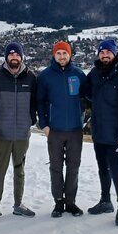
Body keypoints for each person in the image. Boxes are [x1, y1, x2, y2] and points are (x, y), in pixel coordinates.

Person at [84, 38, 118, 227]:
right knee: (102, 169)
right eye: (102, 52)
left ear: (114, 53)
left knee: (116, 170)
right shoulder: (96, 73)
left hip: (116, 136)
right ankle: (105, 201)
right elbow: (86, 91)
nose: (105, 55)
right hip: (99, 133)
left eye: (108, 52)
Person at [0, 41, 38, 221]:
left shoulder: (30, 78)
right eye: (11, 54)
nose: (14, 57)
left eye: (17, 54)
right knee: (0, 170)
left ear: (22, 57)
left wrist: (32, 118)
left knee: (19, 169)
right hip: (2, 134)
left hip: (22, 133)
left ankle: (18, 204)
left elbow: (36, 101)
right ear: (6, 57)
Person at [37, 40, 86, 218]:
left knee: (73, 167)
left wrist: (83, 117)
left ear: (70, 54)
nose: (62, 56)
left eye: (65, 53)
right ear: (54, 55)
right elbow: (40, 102)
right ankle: (59, 202)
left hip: (75, 130)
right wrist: (44, 125)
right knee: (56, 168)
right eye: (59, 53)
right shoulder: (46, 76)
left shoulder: (79, 74)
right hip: (55, 130)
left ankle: (70, 202)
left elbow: (88, 97)